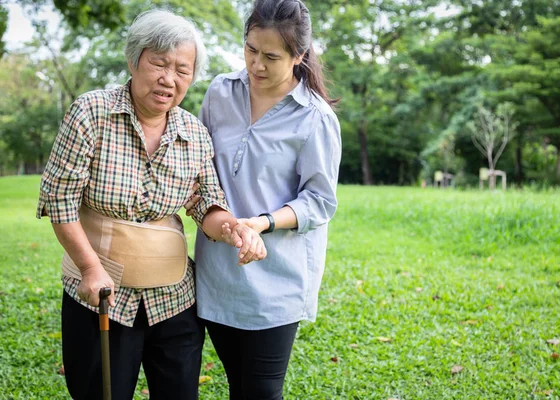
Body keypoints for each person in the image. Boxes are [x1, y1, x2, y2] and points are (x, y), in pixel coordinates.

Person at [36, 9, 266, 400]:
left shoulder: (193, 131)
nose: (169, 79)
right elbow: (59, 200)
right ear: (133, 59)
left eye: (182, 69)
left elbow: (205, 202)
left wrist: (233, 228)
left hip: (174, 299)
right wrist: (90, 268)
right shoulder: (91, 113)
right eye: (159, 64)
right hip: (101, 297)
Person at [187, 0, 342, 398]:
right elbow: (202, 171)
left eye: (271, 56)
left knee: (261, 391)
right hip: (218, 270)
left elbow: (320, 200)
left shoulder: (315, 117)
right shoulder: (221, 91)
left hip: (277, 280)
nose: (257, 64)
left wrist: (262, 222)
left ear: (299, 56)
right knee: (239, 386)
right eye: (251, 50)